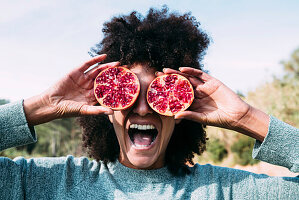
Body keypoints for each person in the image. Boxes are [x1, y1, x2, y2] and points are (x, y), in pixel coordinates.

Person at [0, 7, 298, 200]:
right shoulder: (49, 183)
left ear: (180, 112)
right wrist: (41, 106)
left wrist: (246, 117)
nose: (142, 108)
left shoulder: (224, 190)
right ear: (106, 108)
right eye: (126, 94)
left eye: (159, 95)